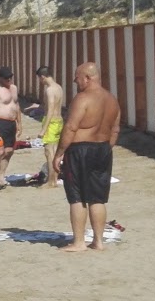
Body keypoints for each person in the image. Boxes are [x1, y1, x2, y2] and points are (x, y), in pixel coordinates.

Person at [54, 61, 121, 251]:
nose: (76, 82)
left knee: (77, 196)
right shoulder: (112, 100)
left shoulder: (82, 99)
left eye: (77, 79)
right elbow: (115, 129)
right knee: (97, 197)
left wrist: (59, 153)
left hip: (80, 150)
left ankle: (79, 242)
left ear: (88, 78)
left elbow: (71, 127)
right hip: (103, 148)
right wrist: (106, 149)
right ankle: (98, 241)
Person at [36, 66, 66, 187]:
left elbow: (50, 109)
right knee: (55, 151)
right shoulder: (59, 87)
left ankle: (51, 181)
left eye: (39, 78)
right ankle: (54, 179)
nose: (40, 81)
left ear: (43, 77)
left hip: (52, 121)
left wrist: (44, 129)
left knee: (49, 152)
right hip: (59, 120)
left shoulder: (49, 90)